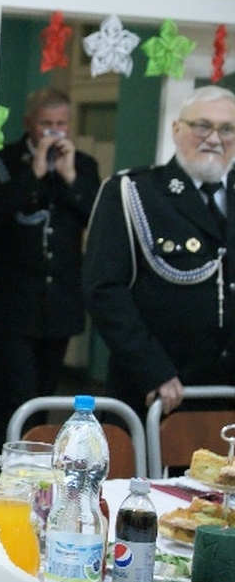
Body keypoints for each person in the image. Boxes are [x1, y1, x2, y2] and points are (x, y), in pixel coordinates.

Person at [84, 85, 235, 418]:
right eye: (202, 126)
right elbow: (104, 291)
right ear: (177, 129)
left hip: (227, 395)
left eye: (227, 129)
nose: (214, 138)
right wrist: (152, 369)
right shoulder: (132, 192)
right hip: (158, 391)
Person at [0, 87, 100, 447]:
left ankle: (36, 462)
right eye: (46, 124)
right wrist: (33, 173)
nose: (54, 131)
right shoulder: (2, 161)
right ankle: (7, 465)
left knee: (46, 395)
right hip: (11, 303)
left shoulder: (84, 165)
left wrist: (69, 177)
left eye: (61, 123)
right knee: (14, 394)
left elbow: (95, 219)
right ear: (28, 124)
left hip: (60, 303)